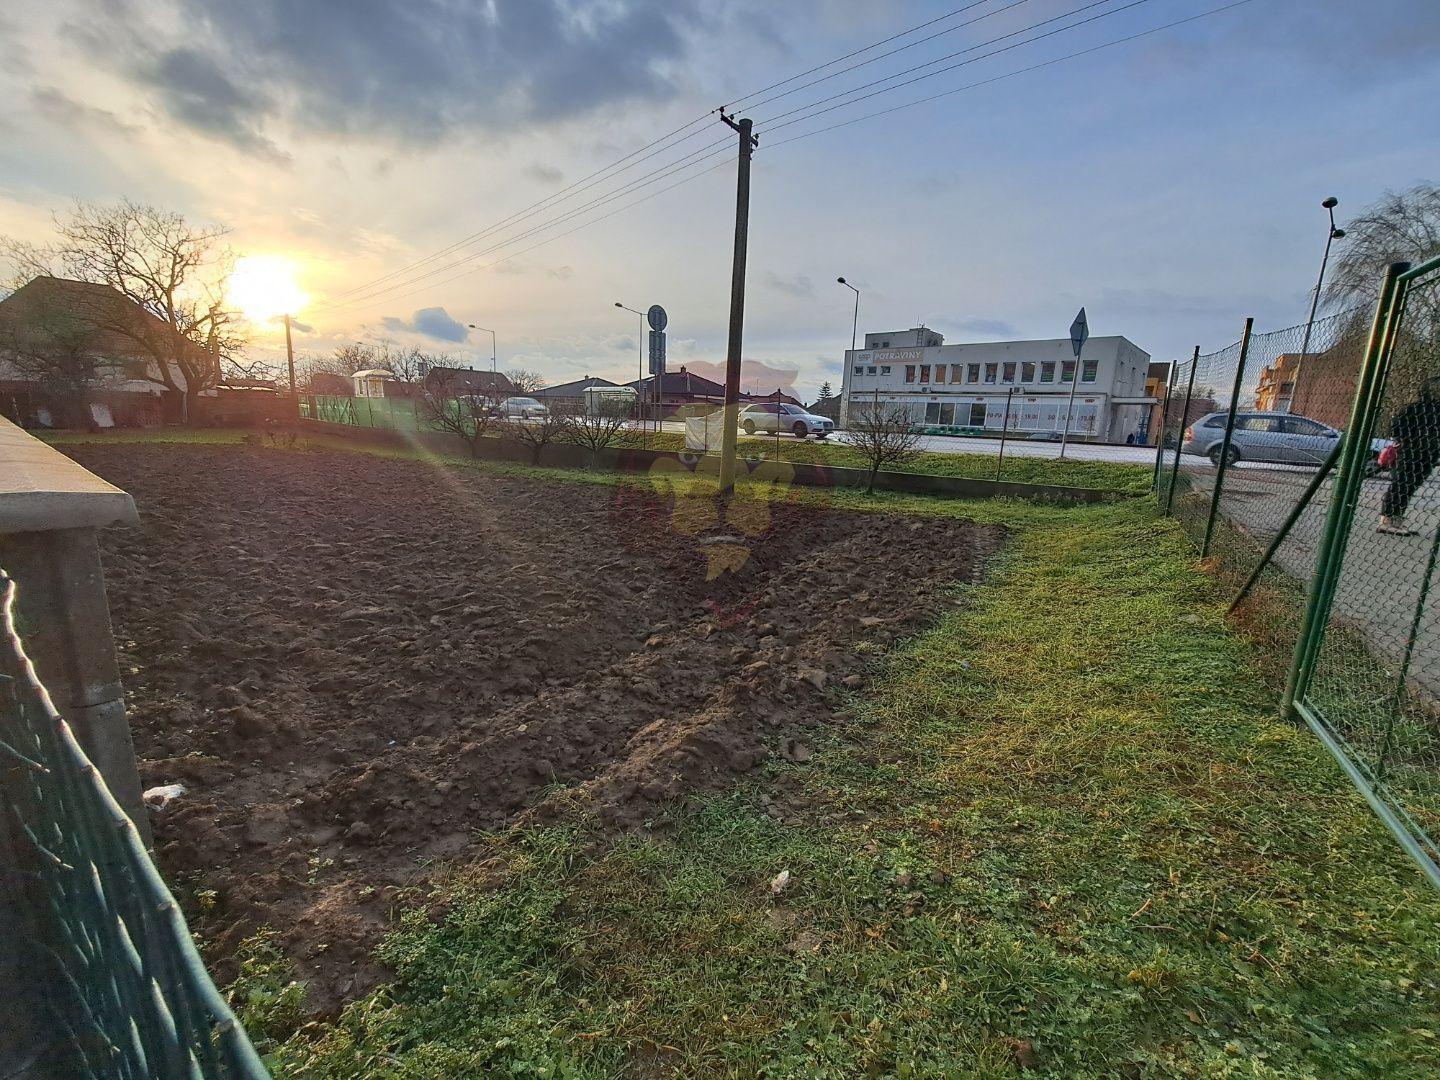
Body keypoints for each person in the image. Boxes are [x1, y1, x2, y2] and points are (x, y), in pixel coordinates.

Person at [1378, 376, 1440, 535]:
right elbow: (1397, 427)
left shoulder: (1428, 410)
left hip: (1428, 454)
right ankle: (1387, 520)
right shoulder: (1415, 409)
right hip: (1411, 452)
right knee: (1402, 483)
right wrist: (1410, 439)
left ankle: (1395, 520)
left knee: (1410, 485)